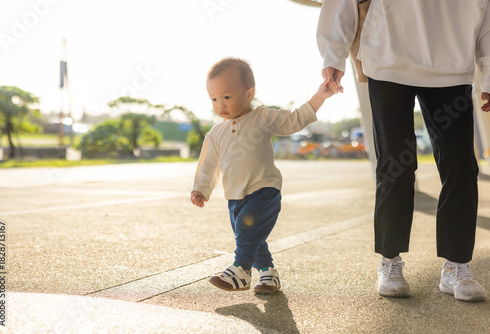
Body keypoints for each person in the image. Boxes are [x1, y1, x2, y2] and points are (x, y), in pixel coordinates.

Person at [317, 0, 489, 302]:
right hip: (388, 57)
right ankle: (390, 260)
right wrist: (334, 53)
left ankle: (456, 265)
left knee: (461, 165)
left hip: (452, 64)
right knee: (395, 165)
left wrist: (488, 73)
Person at [191, 57, 338, 294]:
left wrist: (320, 96)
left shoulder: (262, 118)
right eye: (214, 98)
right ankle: (269, 274)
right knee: (250, 238)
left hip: (264, 191)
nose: (221, 104)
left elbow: (294, 120)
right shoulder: (215, 133)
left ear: (249, 94)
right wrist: (201, 188)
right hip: (235, 197)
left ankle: (240, 271)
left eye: (226, 97)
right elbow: (208, 164)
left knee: (247, 233)